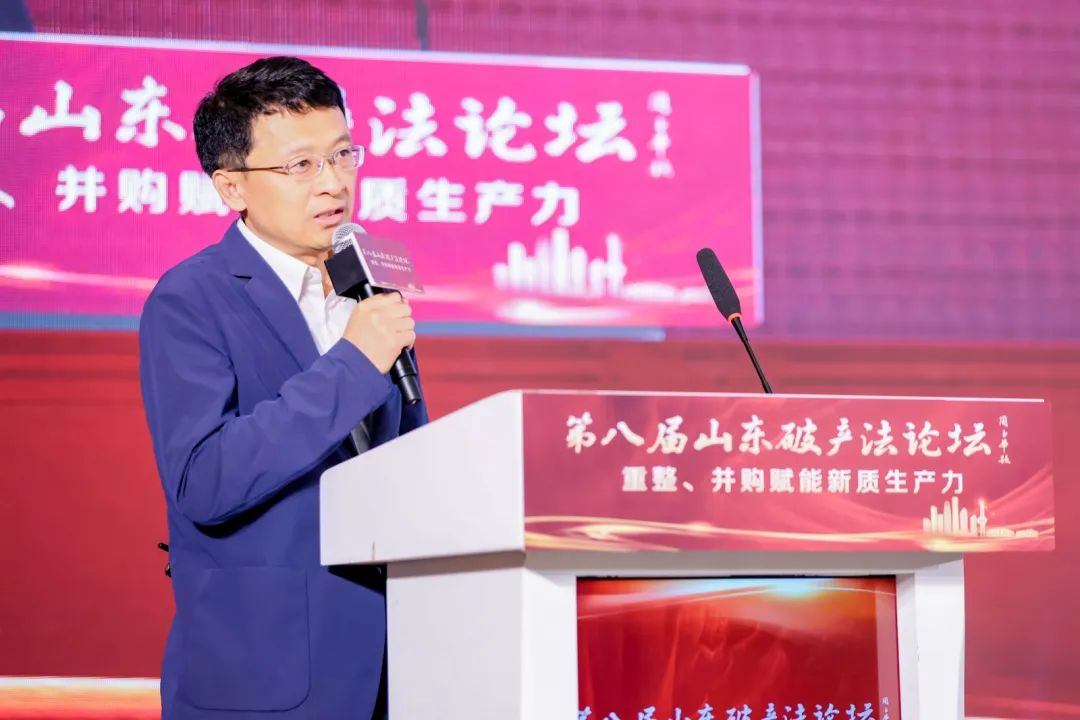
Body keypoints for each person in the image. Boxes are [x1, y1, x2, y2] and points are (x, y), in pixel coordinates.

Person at [138, 56, 427, 719]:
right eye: (301, 165)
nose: (333, 182)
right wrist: (354, 363)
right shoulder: (190, 299)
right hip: (268, 674)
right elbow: (205, 481)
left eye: (342, 155)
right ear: (231, 187)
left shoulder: (369, 289)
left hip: (394, 668)